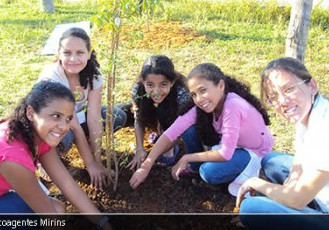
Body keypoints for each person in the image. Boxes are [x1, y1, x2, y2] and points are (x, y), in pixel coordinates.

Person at [130, 63, 274, 194]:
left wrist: (187, 157)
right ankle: (198, 169)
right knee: (188, 129)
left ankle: (245, 173)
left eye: (203, 90)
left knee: (209, 172)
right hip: (236, 146)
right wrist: (146, 166)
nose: (199, 99)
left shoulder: (233, 105)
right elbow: (172, 132)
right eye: (194, 94)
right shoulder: (207, 105)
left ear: (221, 86)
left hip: (255, 152)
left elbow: (225, 154)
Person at [0, 81, 111, 229]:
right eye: (55, 116)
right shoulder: (13, 156)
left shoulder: (36, 134)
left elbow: (67, 184)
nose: (64, 126)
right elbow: (48, 216)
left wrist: (103, 222)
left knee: (58, 209)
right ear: (31, 113)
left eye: (68, 118)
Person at [237, 57, 329, 229]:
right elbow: (301, 155)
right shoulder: (311, 110)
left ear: (312, 85)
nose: (282, 103)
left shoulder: (324, 129)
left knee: (251, 208)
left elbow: (297, 198)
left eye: (289, 89)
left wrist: (255, 182)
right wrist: (293, 178)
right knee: (271, 161)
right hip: (319, 191)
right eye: (273, 97)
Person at [38, 27, 127, 190]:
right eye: (67, 53)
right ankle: (45, 160)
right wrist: (91, 165)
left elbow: (94, 117)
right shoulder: (52, 78)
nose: (73, 58)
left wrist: (98, 161)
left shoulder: (94, 75)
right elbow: (73, 124)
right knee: (65, 137)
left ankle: (87, 145)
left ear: (89, 52)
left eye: (80, 52)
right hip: (50, 125)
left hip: (75, 118)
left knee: (116, 116)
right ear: (58, 53)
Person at [126, 55, 203, 171]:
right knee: (125, 111)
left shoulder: (183, 94)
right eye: (150, 84)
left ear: (172, 82)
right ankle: (158, 133)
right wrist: (140, 149)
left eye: (163, 84)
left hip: (176, 119)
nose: (156, 91)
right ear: (143, 81)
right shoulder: (138, 89)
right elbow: (139, 118)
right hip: (157, 111)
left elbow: (180, 127)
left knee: (163, 111)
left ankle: (170, 149)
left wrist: (154, 155)